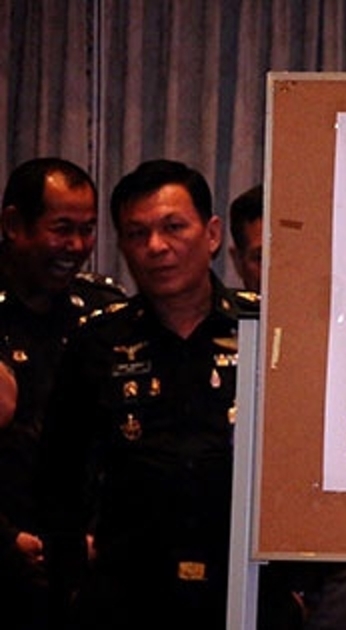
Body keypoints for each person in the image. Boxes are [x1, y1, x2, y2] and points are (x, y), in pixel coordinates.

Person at [37, 159, 258, 629]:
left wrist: (301, 585)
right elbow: (59, 482)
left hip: (246, 593)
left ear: (212, 235)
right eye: (138, 234)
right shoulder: (97, 343)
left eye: (173, 227)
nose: (156, 247)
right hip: (129, 595)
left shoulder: (263, 330)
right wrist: (69, 584)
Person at [227, 183, 346, 630]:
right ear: (237, 262)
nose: (277, 271)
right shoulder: (223, 339)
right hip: (238, 567)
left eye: (287, 253)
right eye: (260, 257)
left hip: (329, 570)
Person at [0, 158, 125, 630]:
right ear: (14, 225)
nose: (76, 246)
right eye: (61, 229)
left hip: (87, 571)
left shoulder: (103, 311)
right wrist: (6, 540)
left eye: (87, 230)